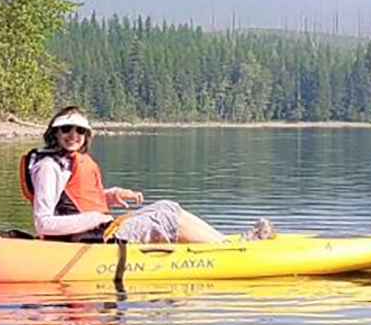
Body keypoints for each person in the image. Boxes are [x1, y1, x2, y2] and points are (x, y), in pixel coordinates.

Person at [20, 105, 244, 244]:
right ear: (55, 133)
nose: (73, 135)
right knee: (166, 217)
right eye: (66, 129)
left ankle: (223, 242)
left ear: (86, 134)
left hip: (97, 231)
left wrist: (109, 196)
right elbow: (44, 224)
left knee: (166, 207)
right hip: (88, 237)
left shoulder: (65, 164)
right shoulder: (49, 167)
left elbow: (70, 200)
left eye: (79, 130)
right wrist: (97, 218)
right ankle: (228, 251)